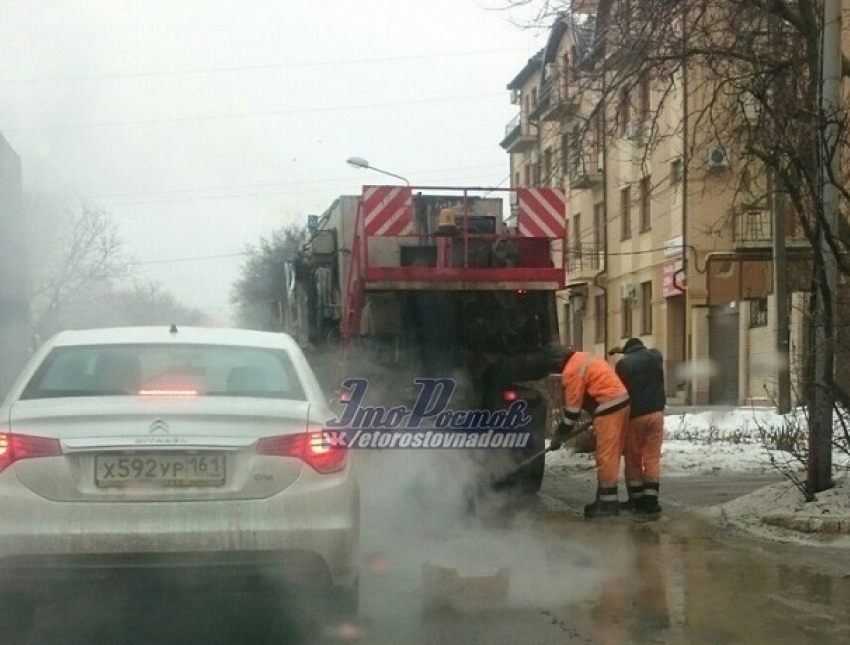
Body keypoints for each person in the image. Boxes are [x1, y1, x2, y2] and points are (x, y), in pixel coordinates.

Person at [550, 348, 631, 518]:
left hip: (609, 407)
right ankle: (603, 500)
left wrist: (559, 436)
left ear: (559, 363)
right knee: (611, 455)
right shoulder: (583, 358)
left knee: (606, 456)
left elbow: (572, 412)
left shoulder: (572, 371)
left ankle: (608, 505)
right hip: (620, 403)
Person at [614, 338, 666, 515]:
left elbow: (619, 391)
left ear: (627, 350)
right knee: (652, 457)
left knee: (633, 457)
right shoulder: (654, 358)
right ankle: (651, 501)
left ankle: (636, 500)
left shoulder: (623, 364)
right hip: (657, 414)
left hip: (636, 416)